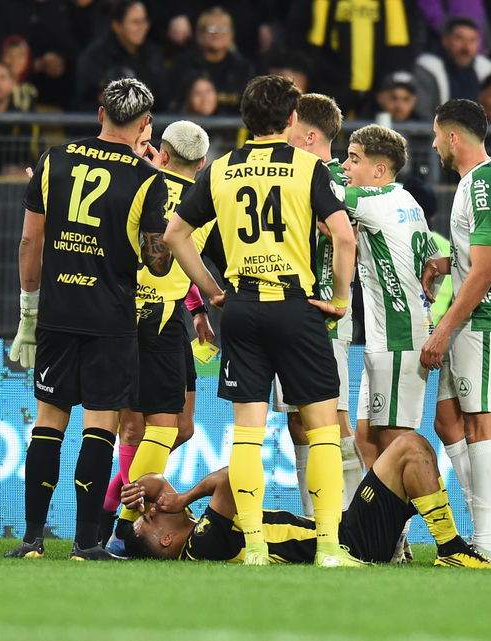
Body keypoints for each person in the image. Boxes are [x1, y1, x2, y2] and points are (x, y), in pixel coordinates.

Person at [164, 74, 361, 568]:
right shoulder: (307, 168)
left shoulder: (221, 169)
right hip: (296, 308)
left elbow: (175, 235)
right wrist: (339, 298)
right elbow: (344, 238)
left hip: (243, 310)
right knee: (322, 433)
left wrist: (212, 292)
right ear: (293, 119)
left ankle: (252, 546)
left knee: (247, 434)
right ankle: (330, 548)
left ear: (244, 119)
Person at [5, 77, 171, 561]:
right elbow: (157, 260)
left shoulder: (53, 159)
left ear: (100, 113)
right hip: (112, 316)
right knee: (99, 425)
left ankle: (33, 539)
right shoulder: (147, 178)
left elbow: (29, 241)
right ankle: (85, 543)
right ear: (144, 125)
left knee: (48, 422)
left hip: (57, 312)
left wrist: (28, 310)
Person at [119, 431, 491, 568]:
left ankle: (449, 546)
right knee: (409, 447)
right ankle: (451, 547)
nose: (154, 509)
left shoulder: (198, 534)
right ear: (167, 541)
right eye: (151, 519)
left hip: (344, 530)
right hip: (349, 543)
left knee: (412, 447)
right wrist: (184, 495)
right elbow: (231, 478)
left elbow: (155, 484)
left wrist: (151, 493)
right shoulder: (204, 544)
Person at [101, 120, 219, 553]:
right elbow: (186, 254)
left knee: (181, 428)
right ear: (203, 162)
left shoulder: (140, 183)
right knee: (149, 428)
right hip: (149, 320)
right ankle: (118, 526)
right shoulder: (207, 199)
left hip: (160, 316)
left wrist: (197, 308)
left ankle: (110, 506)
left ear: (163, 154)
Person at [420, 99, 491, 561]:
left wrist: (443, 328)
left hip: (484, 320)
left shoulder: (481, 183)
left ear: (453, 136)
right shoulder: (485, 177)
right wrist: (449, 262)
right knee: (447, 421)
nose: (435, 143)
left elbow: (485, 271)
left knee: (480, 425)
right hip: (475, 318)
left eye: (437, 134)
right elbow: (478, 257)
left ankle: (484, 542)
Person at [270, 93, 364, 518]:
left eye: (289, 128)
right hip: (291, 313)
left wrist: (338, 299)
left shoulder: (332, 180)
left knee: (334, 421)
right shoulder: (297, 175)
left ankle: (361, 525)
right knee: (299, 423)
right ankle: (315, 521)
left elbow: (349, 239)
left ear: (308, 135)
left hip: (324, 317)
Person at [342, 124, 439, 461]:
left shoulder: (372, 200)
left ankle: (435, 512)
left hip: (398, 340)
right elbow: (433, 264)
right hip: (391, 336)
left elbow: (317, 193)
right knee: (367, 440)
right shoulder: (406, 198)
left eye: (354, 159)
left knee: (400, 446)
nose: (345, 166)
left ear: (379, 170)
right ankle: (381, 516)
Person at [73, 1, 164, 111]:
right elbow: (86, 98)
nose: (143, 27)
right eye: (135, 22)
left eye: (144, 21)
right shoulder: (95, 56)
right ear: (117, 26)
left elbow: (161, 97)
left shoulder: (153, 54)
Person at [172, 7, 255, 115]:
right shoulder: (183, 64)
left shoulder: (244, 68)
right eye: (211, 29)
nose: (217, 34)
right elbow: (174, 104)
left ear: (232, 35)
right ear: (199, 35)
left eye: (223, 29)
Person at [413, 17, 491, 121]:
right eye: (459, 38)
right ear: (445, 40)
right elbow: (423, 115)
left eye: (472, 40)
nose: (466, 47)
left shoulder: (486, 70)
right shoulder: (428, 68)